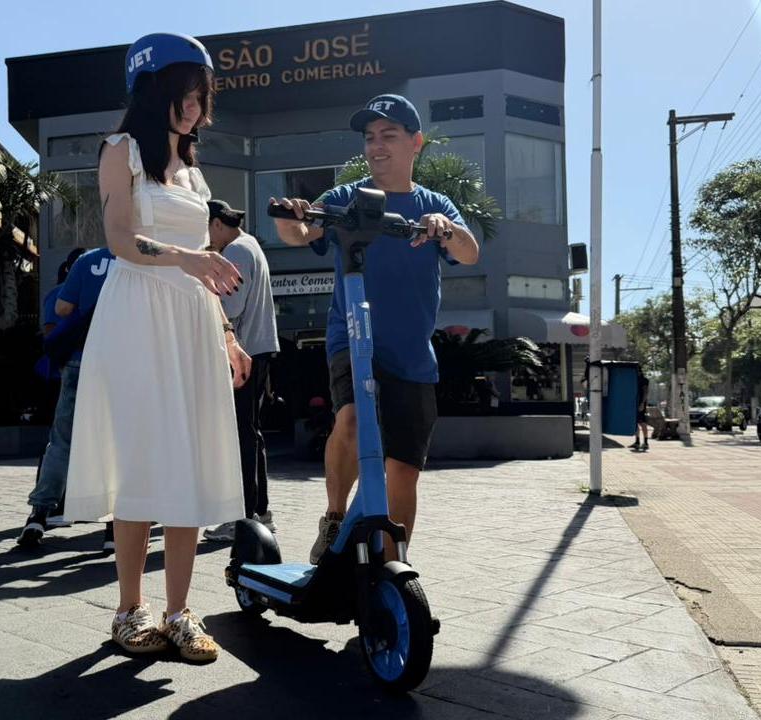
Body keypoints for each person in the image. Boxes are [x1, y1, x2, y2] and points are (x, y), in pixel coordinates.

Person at [64, 33, 249, 663]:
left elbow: (202, 269)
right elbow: (119, 239)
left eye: (202, 96)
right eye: (185, 93)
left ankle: (178, 612)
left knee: (189, 464)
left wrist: (226, 333)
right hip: (137, 315)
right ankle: (128, 610)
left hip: (191, 321)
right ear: (153, 90)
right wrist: (188, 259)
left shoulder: (193, 172)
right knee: (143, 460)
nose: (196, 106)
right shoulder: (120, 152)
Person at [272, 94, 480, 564]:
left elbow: (469, 252)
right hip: (353, 338)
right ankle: (333, 517)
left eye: (389, 135)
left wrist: (444, 227)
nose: (376, 146)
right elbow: (300, 233)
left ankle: (392, 564)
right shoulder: (346, 198)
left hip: (411, 354)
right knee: (349, 420)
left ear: (415, 144)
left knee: (403, 471)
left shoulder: (435, 205)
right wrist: (291, 219)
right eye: (370, 138)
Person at [17, 245, 114, 549]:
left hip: (79, 358)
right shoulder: (139, 258)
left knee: (62, 441)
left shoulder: (87, 261)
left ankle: (39, 514)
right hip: (121, 361)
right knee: (117, 445)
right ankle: (116, 527)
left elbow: (62, 309)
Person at [203, 199, 280, 542]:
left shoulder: (235, 252)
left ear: (217, 223)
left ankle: (243, 517)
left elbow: (230, 306)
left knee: (241, 436)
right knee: (250, 432)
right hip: (259, 350)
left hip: (243, 353)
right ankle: (258, 512)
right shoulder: (252, 246)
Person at [631, 368, 650, 451]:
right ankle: (637, 441)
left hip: (641, 403)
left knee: (642, 422)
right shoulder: (634, 380)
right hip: (635, 403)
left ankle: (645, 442)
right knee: (635, 422)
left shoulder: (644, 380)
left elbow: (646, 392)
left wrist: (642, 403)